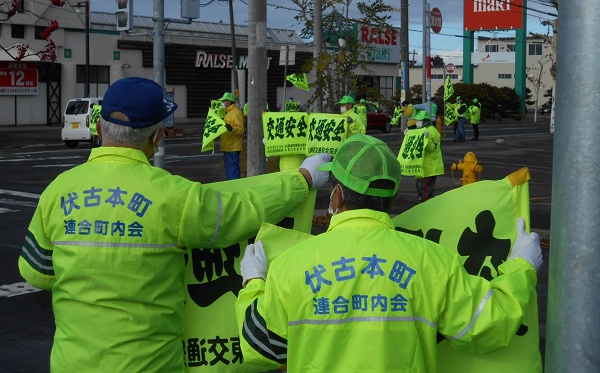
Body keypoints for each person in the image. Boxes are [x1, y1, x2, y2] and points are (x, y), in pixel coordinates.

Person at [17, 76, 331, 373]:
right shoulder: (173, 195)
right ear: (157, 136)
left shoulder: (58, 190)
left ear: (98, 127)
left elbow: (37, 272)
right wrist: (302, 179)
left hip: (71, 365)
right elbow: (243, 210)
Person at [235, 133, 543, 372]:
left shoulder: (293, 264)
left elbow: (262, 346)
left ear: (337, 196)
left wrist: (253, 283)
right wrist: (521, 265)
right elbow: (491, 324)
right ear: (392, 196)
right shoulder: (433, 261)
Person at [405, 109, 444, 202]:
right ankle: (424, 206)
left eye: (419, 121)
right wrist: (408, 135)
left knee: (425, 191)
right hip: (423, 167)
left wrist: (427, 138)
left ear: (425, 121)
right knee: (421, 189)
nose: (417, 122)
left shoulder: (432, 131)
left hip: (430, 167)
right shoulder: (421, 130)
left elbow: (432, 148)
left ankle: (426, 209)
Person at [218, 92, 244, 179]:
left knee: (232, 171)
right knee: (230, 170)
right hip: (228, 146)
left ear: (229, 102)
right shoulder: (228, 113)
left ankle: (235, 189)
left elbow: (240, 130)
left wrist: (231, 128)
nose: (222, 103)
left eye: (224, 101)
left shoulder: (236, 113)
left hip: (232, 146)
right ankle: (232, 187)